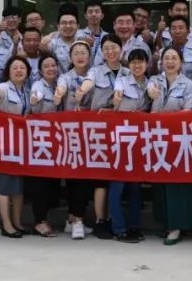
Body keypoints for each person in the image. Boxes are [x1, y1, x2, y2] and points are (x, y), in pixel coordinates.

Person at [79, 34, 131, 238]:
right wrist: (82, 90)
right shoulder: (96, 71)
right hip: (99, 130)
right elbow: (88, 82)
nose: (110, 51)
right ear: (101, 51)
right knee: (101, 177)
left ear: (121, 49)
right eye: (106, 48)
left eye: (114, 47)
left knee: (117, 176)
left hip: (123, 131)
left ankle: (114, 218)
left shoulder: (128, 72)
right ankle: (101, 220)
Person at [149, 46, 192, 245]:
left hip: (180, 139)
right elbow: (148, 98)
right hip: (157, 138)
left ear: (181, 62)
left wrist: (168, 119)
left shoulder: (188, 84)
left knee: (177, 183)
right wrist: (150, 93)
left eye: (174, 58)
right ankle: (166, 223)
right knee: (160, 181)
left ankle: (178, 226)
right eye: (167, 58)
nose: (170, 62)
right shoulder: (155, 81)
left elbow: (190, 111)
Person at [109, 48, 152, 243]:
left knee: (135, 186)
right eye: (133, 62)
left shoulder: (151, 83)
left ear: (147, 64)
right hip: (120, 140)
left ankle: (134, 226)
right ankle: (118, 228)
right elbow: (117, 94)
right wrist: (117, 99)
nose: (137, 65)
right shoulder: (123, 80)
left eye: (140, 61)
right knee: (117, 185)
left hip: (141, 141)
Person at [55, 40, 96, 240]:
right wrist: (59, 93)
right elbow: (61, 88)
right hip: (70, 133)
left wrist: (83, 92)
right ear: (70, 58)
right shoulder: (65, 76)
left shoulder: (95, 73)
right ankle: (77, 219)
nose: (80, 56)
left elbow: (91, 85)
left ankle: (72, 218)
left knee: (87, 176)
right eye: (76, 53)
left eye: (83, 52)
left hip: (92, 133)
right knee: (74, 176)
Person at [0, 56, 32, 238]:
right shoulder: (5, 88)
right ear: (8, 72)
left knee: (18, 187)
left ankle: (17, 222)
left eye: (22, 67)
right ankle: (6, 225)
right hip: (5, 144)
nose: (19, 70)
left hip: (21, 144)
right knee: (5, 186)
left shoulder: (27, 91)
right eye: (15, 68)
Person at [26, 54, 61, 238]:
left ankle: (45, 218)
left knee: (51, 180)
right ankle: (39, 221)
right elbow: (34, 101)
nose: (51, 69)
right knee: (40, 181)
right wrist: (34, 100)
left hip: (56, 140)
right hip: (40, 140)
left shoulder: (59, 85)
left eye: (53, 65)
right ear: (40, 71)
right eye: (46, 66)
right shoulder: (38, 86)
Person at [166, 16, 192, 83]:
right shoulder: (163, 52)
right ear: (169, 32)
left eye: (181, 28)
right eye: (173, 28)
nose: (177, 31)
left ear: (188, 31)